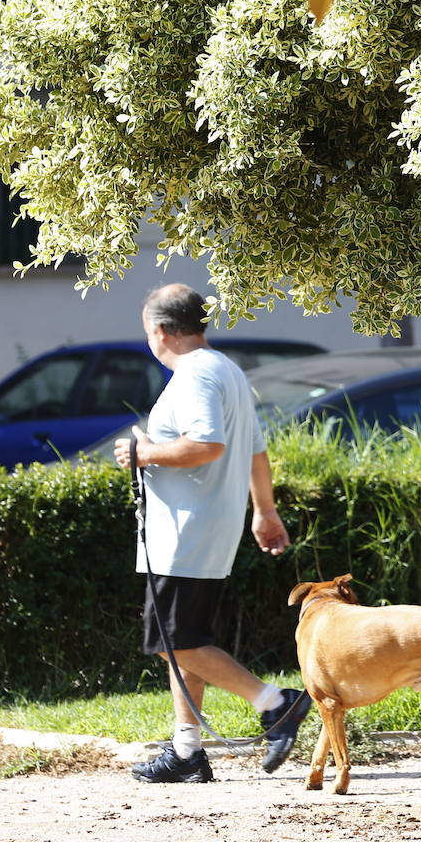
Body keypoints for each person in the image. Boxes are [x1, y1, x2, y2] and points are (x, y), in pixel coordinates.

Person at [114, 284, 304, 784]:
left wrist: (144, 453)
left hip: (185, 531)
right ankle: (187, 751)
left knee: (173, 644)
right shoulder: (225, 369)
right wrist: (264, 511)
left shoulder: (195, 375)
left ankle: (277, 703)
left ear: (159, 331)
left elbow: (208, 445)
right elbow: (255, 452)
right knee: (187, 640)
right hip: (205, 526)